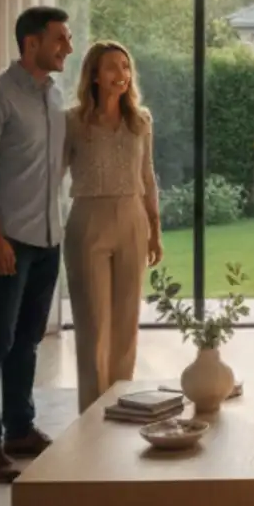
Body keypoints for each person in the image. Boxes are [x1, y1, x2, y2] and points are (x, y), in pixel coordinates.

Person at [0, 5, 72, 483]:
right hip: (7, 242)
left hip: (47, 240)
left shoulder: (52, 95)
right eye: (60, 38)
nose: (67, 46)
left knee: (27, 340)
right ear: (32, 43)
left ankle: (20, 428)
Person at [62, 41, 163, 413]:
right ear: (93, 74)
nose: (121, 74)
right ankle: (91, 413)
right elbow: (52, 174)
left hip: (133, 218)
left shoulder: (141, 121)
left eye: (125, 66)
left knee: (126, 325)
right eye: (111, 68)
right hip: (88, 219)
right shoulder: (72, 122)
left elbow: (148, 177)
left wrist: (155, 228)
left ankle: (122, 407)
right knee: (92, 327)